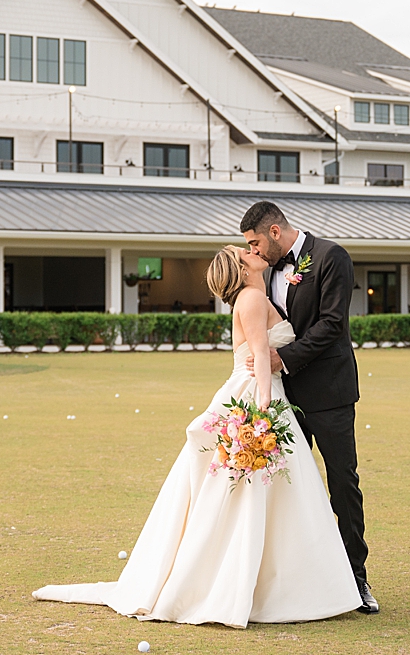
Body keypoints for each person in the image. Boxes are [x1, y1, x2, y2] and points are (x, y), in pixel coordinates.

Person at [32, 244, 361, 627]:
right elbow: (259, 359)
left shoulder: (256, 295)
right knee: (252, 492)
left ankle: (270, 580)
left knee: (253, 494)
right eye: (246, 250)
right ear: (242, 267)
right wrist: (264, 418)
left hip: (254, 392)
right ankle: (261, 584)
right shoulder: (253, 298)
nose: (254, 250)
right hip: (257, 397)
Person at [239, 200, 377, 614]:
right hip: (284, 399)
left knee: (342, 487)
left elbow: (332, 324)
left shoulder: (332, 257)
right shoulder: (264, 276)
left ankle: (357, 579)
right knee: (287, 490)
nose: (254, 252)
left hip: (330, 396)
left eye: (256, 242)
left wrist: (285, 358)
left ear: (275, 233)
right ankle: (295, 582)